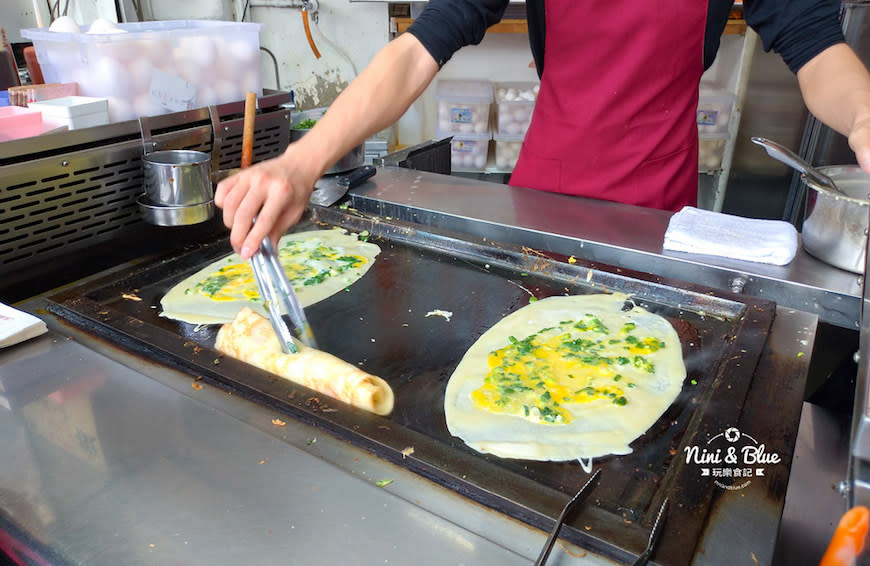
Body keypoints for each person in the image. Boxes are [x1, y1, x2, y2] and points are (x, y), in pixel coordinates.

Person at [216, 0, 870, 260]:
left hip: (660, 227)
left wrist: (865, 117)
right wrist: (302, 162)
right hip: (540, 218)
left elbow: (817, 53)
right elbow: (419, 49)